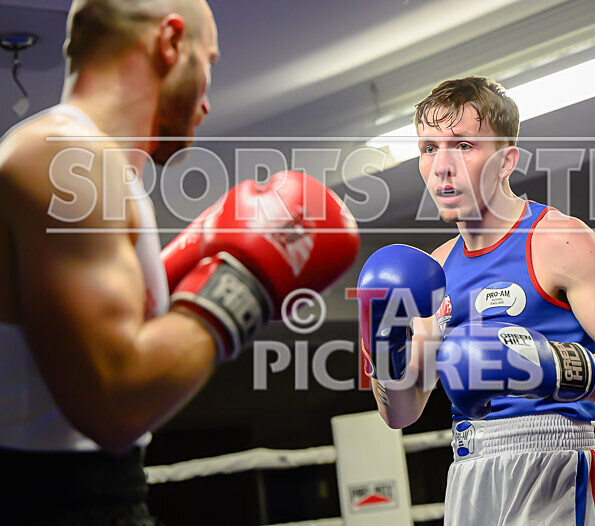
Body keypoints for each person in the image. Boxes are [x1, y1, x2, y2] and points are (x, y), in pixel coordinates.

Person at [0, 1, 358, 524]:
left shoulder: (92, 167)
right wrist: (244, 285)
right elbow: (116, 405)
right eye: (207, 62)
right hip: (57, 503)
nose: (207, 100)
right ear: (170, 43)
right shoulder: (63, 157)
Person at [357, 76, 595, 524]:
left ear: (507, 160)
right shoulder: (435, 269)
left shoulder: (557, 239)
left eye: (463, 145)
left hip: (553, 465)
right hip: (469, 472)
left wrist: (543, 366)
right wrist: (381, 340)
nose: (442, 166)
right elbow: (402, 413)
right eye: (429, 148)